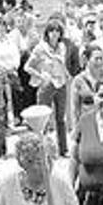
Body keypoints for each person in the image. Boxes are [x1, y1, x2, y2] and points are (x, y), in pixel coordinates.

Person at [25, 20, 70, 155]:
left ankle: (63, 149)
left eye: (57, 31)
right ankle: (42, 149)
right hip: (46, 85)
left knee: (61, 119)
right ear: (47, 33)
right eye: (52, 31)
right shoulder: (40, 48)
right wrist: (40, 76)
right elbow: (27, 67)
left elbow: (62, 65)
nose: (54, 34)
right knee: (43, 119)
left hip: (61, 84)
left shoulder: (62, 47)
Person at [70, 44, 103, 132]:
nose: (99, 62)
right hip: (87, 127)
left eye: (101, 58)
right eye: (96, 59)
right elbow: (75, 109)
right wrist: (76, 130)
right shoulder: (78, 80)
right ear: (87, 60)